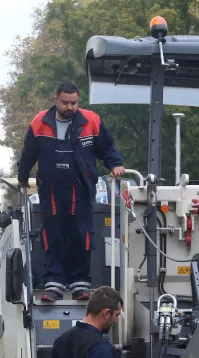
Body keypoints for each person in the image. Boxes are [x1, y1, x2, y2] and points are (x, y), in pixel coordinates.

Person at [17, 81, 126, 303]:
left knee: (81, 235)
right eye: (65, 103)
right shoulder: (40, 123)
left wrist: (115, 163)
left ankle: (80, 283)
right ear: (55, 100)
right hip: (51, 190)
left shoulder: (91, 121)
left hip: (81, 189)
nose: (70, 107)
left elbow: (107, 147)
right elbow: (28, 152)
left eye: (74, 103)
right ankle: (53, 283)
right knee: (53, 235)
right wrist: (22, 177)